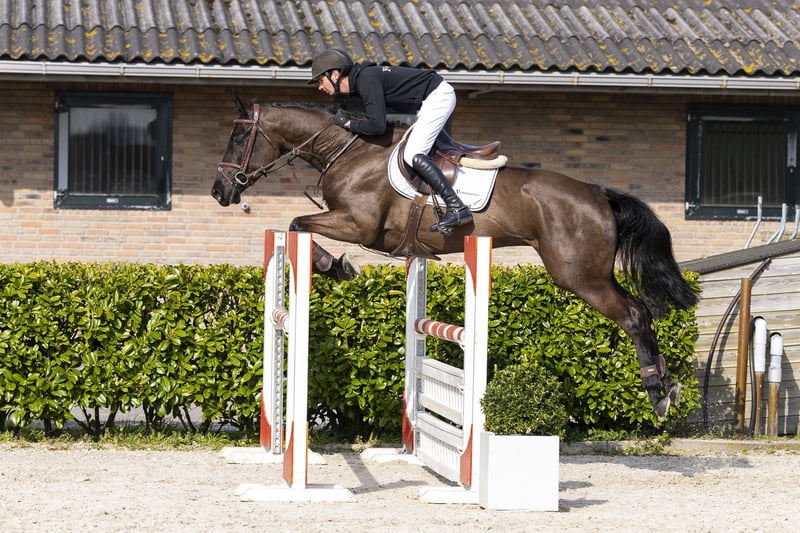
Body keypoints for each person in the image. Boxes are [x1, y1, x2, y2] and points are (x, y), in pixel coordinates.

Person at [308, 49, 472, 233]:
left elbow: (377, 126)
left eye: (320, 80)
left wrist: (348, 124)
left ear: (335, 74)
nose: (320, 87)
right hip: (428, 102)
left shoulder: (366, 79)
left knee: (412, 154)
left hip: (437, 97)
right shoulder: (361, 82)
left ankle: (456, 207)